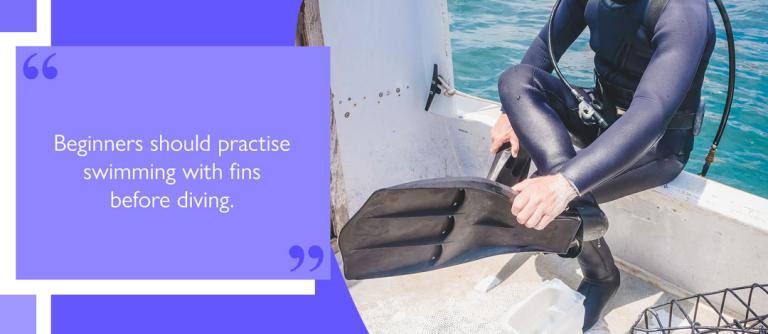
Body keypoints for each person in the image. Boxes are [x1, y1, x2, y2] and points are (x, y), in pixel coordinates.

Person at [491, 0, 715, 329]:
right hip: (600, 113)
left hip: (656, 143)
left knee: (558, 187)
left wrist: (563, 185)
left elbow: (651, 110)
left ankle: (602, 277)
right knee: (517, 81)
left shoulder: (682, 10)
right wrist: (508, 113)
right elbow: (543, 47)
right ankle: (568, 196)